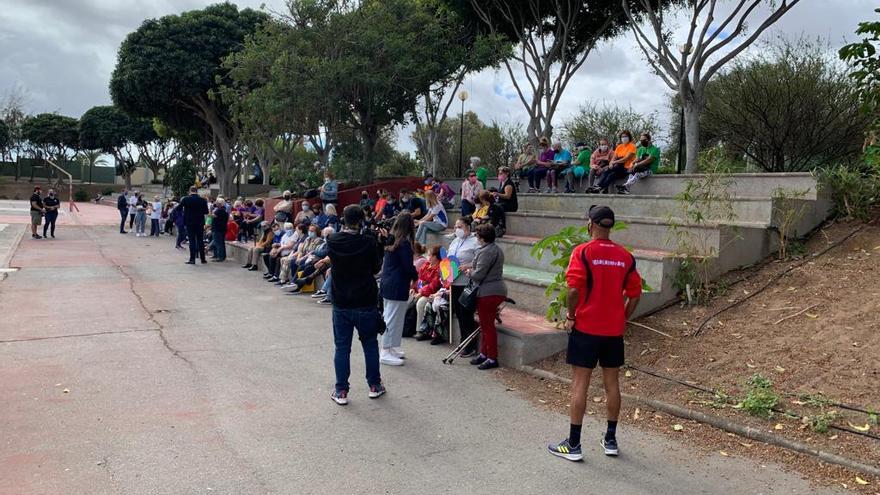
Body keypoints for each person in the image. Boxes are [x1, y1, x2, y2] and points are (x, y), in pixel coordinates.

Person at [547, 205, 642, 462]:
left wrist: (570, 316)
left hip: (586, 328)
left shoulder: (583, 252)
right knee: (612, 383)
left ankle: (574, 444)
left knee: (580, 384)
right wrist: (624, 317)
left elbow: (574, 290)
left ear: (590, 224)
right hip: (613, 330)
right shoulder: (624, 256)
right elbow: (635, 293)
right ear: (610, 226)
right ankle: (610, 439)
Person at [326, 205, 385, 405]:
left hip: (341, 301)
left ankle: (341, 390)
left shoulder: (333, 240)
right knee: (370, 344)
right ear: (361, 220)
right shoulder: (368, 242)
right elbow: (376, 268)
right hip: (365, 300)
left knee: (342, 347)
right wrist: (378, 243)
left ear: (343, 219)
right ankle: (374, 385)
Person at [379, 212, 419, 366]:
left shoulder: (392, 240)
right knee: (391, 319)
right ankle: (385, 351)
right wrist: (415, 277)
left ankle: (391, 347)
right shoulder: (403, 244)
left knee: (394, 317)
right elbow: (408, 266)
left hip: (389, 283)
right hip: (397, 285)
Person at [467, 224, 507, 370]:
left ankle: (492, 357)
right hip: (493, 290)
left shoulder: (486, 251)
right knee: (485, 325)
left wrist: (469, 272)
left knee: (487, 326)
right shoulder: (494, 249)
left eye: (477, 235)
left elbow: (478, 274)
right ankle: (484, 353)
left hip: (488, 292)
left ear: (482, 237)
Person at [448, 216, 480, 356]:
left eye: (460, 226)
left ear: (468, 227)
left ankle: (470, 345)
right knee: (459, 314)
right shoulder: (455, 241)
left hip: (467, 283)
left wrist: (467, 265)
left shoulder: (475, 242)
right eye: (455, 227)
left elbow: (480, 260)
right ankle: (463, 341)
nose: (457, 229)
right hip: (454, 282)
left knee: (466, 313)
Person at [412, 246, 442, 342]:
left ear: (435, 257)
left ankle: (421, 330)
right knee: (406, 298)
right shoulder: (427, 265)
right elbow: (419, 279)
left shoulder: (440, 268)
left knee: (421, 302)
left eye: (430, 255)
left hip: (432, 294)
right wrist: (414, 289)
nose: (428, 256)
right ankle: (400, 326)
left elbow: (433, 285)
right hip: (422, 291)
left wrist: (420, 293)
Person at [180, 186, 209, 264]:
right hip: (200, 222)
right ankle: (203, 259)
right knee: (200, 240)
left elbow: (179, 208)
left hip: (189, 222)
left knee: (192, 240)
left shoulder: (186, 199)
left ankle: (192, 259)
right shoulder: (203, 200)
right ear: (197, 191)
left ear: (190, 191)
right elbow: (206, 211)